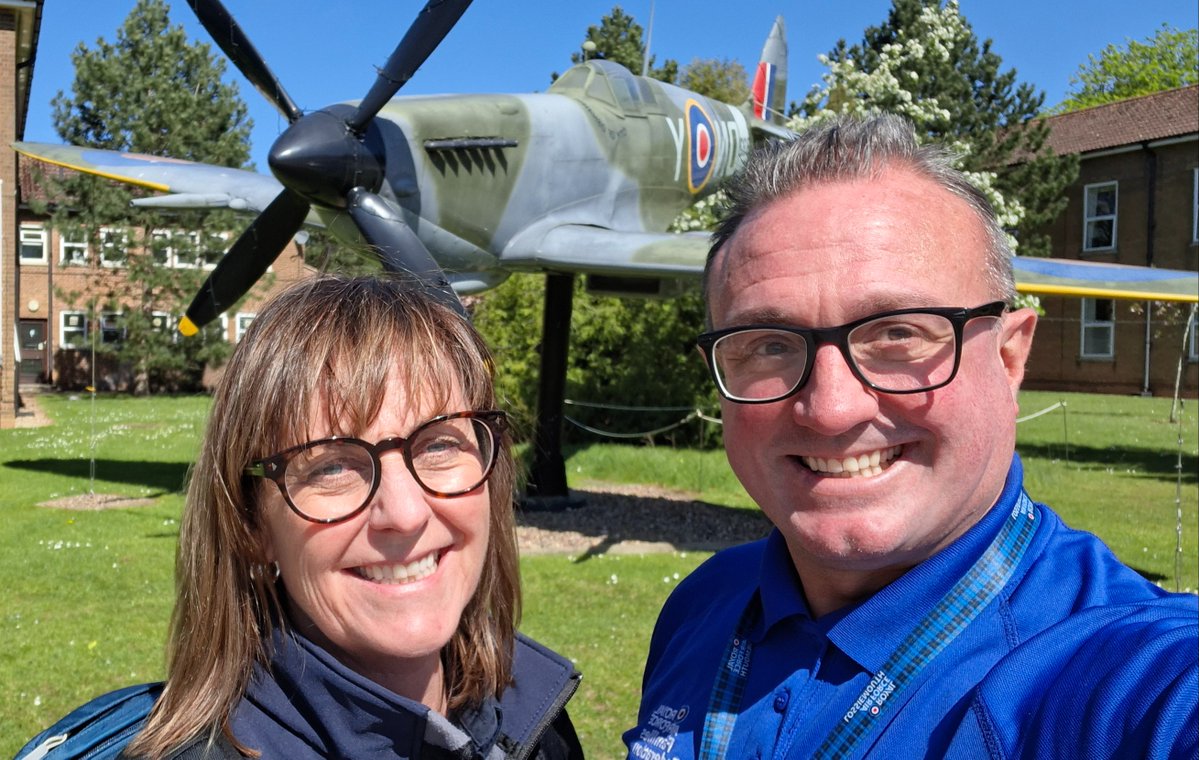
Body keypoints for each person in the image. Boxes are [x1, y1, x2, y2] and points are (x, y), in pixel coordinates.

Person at [624, 115, 1197, 759]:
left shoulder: (1118, 671)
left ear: (1009, 357)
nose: (831, 410)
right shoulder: (705, 606)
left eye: (898, 333)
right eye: (770, 345)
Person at [34, 275, 585, 759]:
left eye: (439, 445)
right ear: (253, 526)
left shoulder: (532, 719)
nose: (406, 513)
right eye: (331, 468)